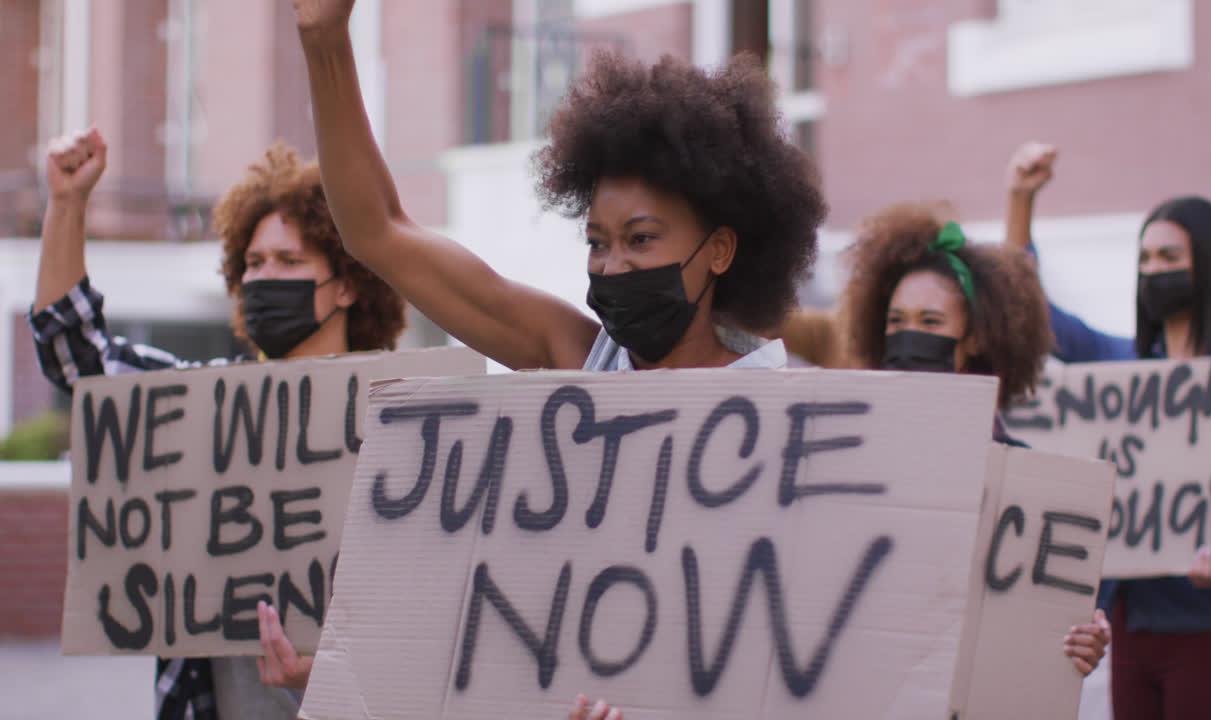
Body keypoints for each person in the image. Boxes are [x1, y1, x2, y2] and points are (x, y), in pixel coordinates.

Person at [28, 129, 406, 720]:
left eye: (288, 260)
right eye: (252, 262)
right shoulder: (204, 406)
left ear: (349, 285)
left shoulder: (398, 422)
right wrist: (68, 202)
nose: (262, 278)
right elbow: (78, 359)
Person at [292, 0, 825, 378]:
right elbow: (378, 233)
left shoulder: (780, 402)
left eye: (640, 239)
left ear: (720, 250)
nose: (611, 267)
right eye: (597, 242)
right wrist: (324, 42)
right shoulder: (579, 359)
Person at [782, 201, 1112, 674]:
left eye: (931, 323)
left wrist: (1081, 639)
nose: (909, 335)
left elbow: (1048, 622)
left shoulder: (1019, 476)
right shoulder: (845, 462)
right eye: (896, 322)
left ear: (975, 337)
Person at [1004, 141, 1211, 719]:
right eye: (1144, 260)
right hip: (1132, 629)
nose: (1153, 271)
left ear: (1210, 264)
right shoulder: (1120, 368)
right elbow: (1031, 309)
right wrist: (1020, 198)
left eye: (1169, 257)